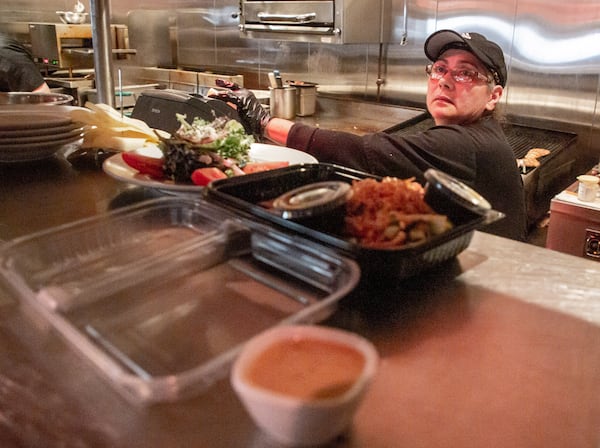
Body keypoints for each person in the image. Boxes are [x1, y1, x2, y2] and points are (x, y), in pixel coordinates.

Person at [213, 30, 528, 241]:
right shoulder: (478, 132)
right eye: (440, 69)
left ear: (493, 96)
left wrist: (264, 120)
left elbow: (365, 152)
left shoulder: (464, 145)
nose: (445, 81)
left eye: (466, 73)